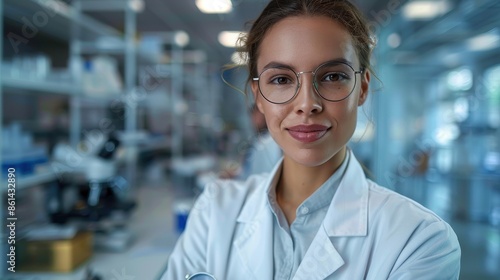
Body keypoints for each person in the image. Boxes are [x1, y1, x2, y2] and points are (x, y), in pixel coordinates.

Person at [162, 0, 461, 279]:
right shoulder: (214, 210)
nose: (307, 103)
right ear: (259, 97)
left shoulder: (420, 240)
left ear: (363, 88)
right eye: (281, 79)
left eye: (332, 76)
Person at [238, 104, 282, 180]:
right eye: (252, 116)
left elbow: (263, 175)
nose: (254, 120)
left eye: (257, 115)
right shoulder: (258, 141)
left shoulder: (272, 143)